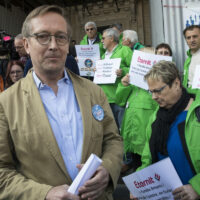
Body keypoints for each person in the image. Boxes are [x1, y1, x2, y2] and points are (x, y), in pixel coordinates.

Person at [0, 5, 123, 200]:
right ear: (27, 44)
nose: (53, 45)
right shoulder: (6, 103)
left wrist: (107, 170)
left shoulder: (94, 92)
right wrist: (44, 193)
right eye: (42, 36)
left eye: (61, 37)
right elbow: (2, 171)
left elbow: (113, 140)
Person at [131, 61, 200, 200]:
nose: (154, 97)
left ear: (176, 83)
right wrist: (138, 185)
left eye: (158, 90)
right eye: (151, 91)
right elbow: (147, 159)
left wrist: (197, 188)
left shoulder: (196, 114)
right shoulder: (155, 118)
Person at [115, 48, 157, 173]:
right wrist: (123, 85)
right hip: (131, 137)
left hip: (146, 140)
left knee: (148, 169)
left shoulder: (156, 85)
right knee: (136, 168)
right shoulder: (133, 82)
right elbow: (120, 100)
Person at [100, 28, 133, 129]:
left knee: (122, 128)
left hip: (119, 97)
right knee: (111, 130)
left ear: (111, 38)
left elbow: (134, 69)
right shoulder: (103, 55)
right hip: (106, 99)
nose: (101, 41)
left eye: (103, 38)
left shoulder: (124, 50)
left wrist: (122, 71)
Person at [183, 25, 200, 95]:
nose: (192, 40)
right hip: (189, 97)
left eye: (195, 36)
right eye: (188, 38)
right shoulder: (188, 59)